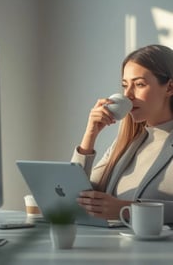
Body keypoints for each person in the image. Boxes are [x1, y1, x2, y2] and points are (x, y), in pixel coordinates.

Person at [72, 44, 173, 223]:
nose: (128, 95)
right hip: (115, 248)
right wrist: (90, 135)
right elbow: (78, 195)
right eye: (125, 85)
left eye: (139, 84)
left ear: (169, 88)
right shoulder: (126, 144)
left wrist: (127, 210)